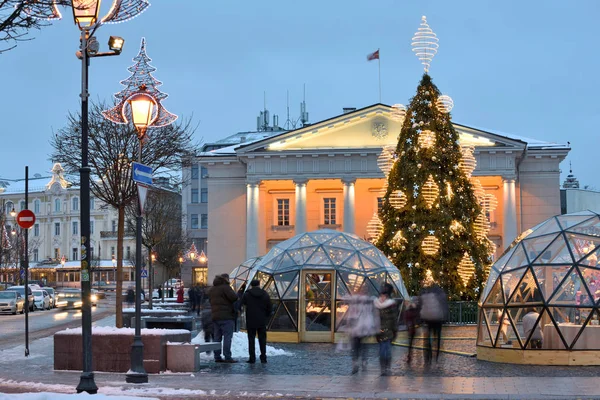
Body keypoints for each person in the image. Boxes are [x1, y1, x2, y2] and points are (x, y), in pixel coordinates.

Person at [344, 287, 378, 374]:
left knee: (357, 346)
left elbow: (351, 314)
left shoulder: (356, 301)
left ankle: (357, 363)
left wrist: (348, 325)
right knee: (362, 346)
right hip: (363, 328)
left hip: (357, 328)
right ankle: (362, 362)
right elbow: (372, 314)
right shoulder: (368, 301)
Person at [209, 273, 238, 363]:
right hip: (226, 316)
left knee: (217, 337)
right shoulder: (225, 287)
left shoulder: (212, 289)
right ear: (226, 279)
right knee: (227, 337)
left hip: (215, 316)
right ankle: (227, 356)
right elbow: (234, 297)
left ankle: (217, 356)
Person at [241, 279, 272, 364]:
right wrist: (266, 316)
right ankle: (263, 357)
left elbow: (241, 304)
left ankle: (252, 358)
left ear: (251, 285)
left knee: (251, 339)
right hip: (262, 320)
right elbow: (269, 307)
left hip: (251, 320)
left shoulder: (247, 294)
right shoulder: (265, 294)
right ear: (259, 284)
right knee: (262, 339)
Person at [374, 283, 400, 376]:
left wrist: (394, 330)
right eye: (381, 295)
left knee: (386, 350)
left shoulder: (389, 305)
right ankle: (384, 368)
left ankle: (386, 368)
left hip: (387, 331)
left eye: (384, 295)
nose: (382, 297)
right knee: (383, 350)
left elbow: (393, 319)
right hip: (381, 332)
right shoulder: (378, 305)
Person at [419, 284, 448, 365]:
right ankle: (437, 355)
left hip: (428, 320)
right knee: (438, 337)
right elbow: (444, 307)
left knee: (428, 337)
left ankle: (429, 355)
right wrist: (445, 318)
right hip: (438, 320)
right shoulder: (440, 295)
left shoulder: (427, 295)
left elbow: (421, 306)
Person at [404, 296, 420, 364]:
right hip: (411, 327)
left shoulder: (413, 309)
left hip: (412, 327)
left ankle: (410, 355)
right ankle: (410, 355)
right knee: (411, 342)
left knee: (411, 342)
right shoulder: (412, 309)